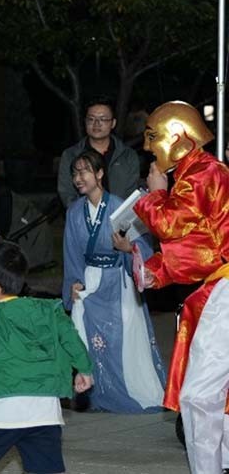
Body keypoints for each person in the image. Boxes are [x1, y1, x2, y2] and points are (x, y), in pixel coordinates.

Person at [131, 101, 229, 473]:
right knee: (217, 394)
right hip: (219, 288)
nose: (147, 146)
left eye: (153, 137)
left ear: (176, 137)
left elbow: (173, 226)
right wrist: (157, 271)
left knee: (200, 395)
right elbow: (203, 247)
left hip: (225, 292)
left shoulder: (204, 174)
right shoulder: (200, 174)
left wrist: (154, 193)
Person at [0, 241, 93, 474]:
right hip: (44, 409)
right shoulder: (49, 310)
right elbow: (70, 337)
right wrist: (84, 369)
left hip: (1, 410)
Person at [62, 149, 165, 413]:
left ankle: (130, 391)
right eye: (75, 173)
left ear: (99, 173)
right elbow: (71, 251)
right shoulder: (74, 212)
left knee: (126, 338)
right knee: (86, 337)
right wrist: (74, 281)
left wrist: (127, 247)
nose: (78, 178)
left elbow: (144, 248)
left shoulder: (121, 206)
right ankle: (93, 393)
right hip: (91, 278)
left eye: (85, 171)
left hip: (119, 281)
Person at [57, 96, 139, 208]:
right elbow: (67, 193)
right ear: (85, 122)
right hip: (83, 220)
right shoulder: (71, 155)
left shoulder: (128, 156)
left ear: (113, 123)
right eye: (91, 119)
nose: (96, 124)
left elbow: (131, 194)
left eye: (103, 119)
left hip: (119, 220)